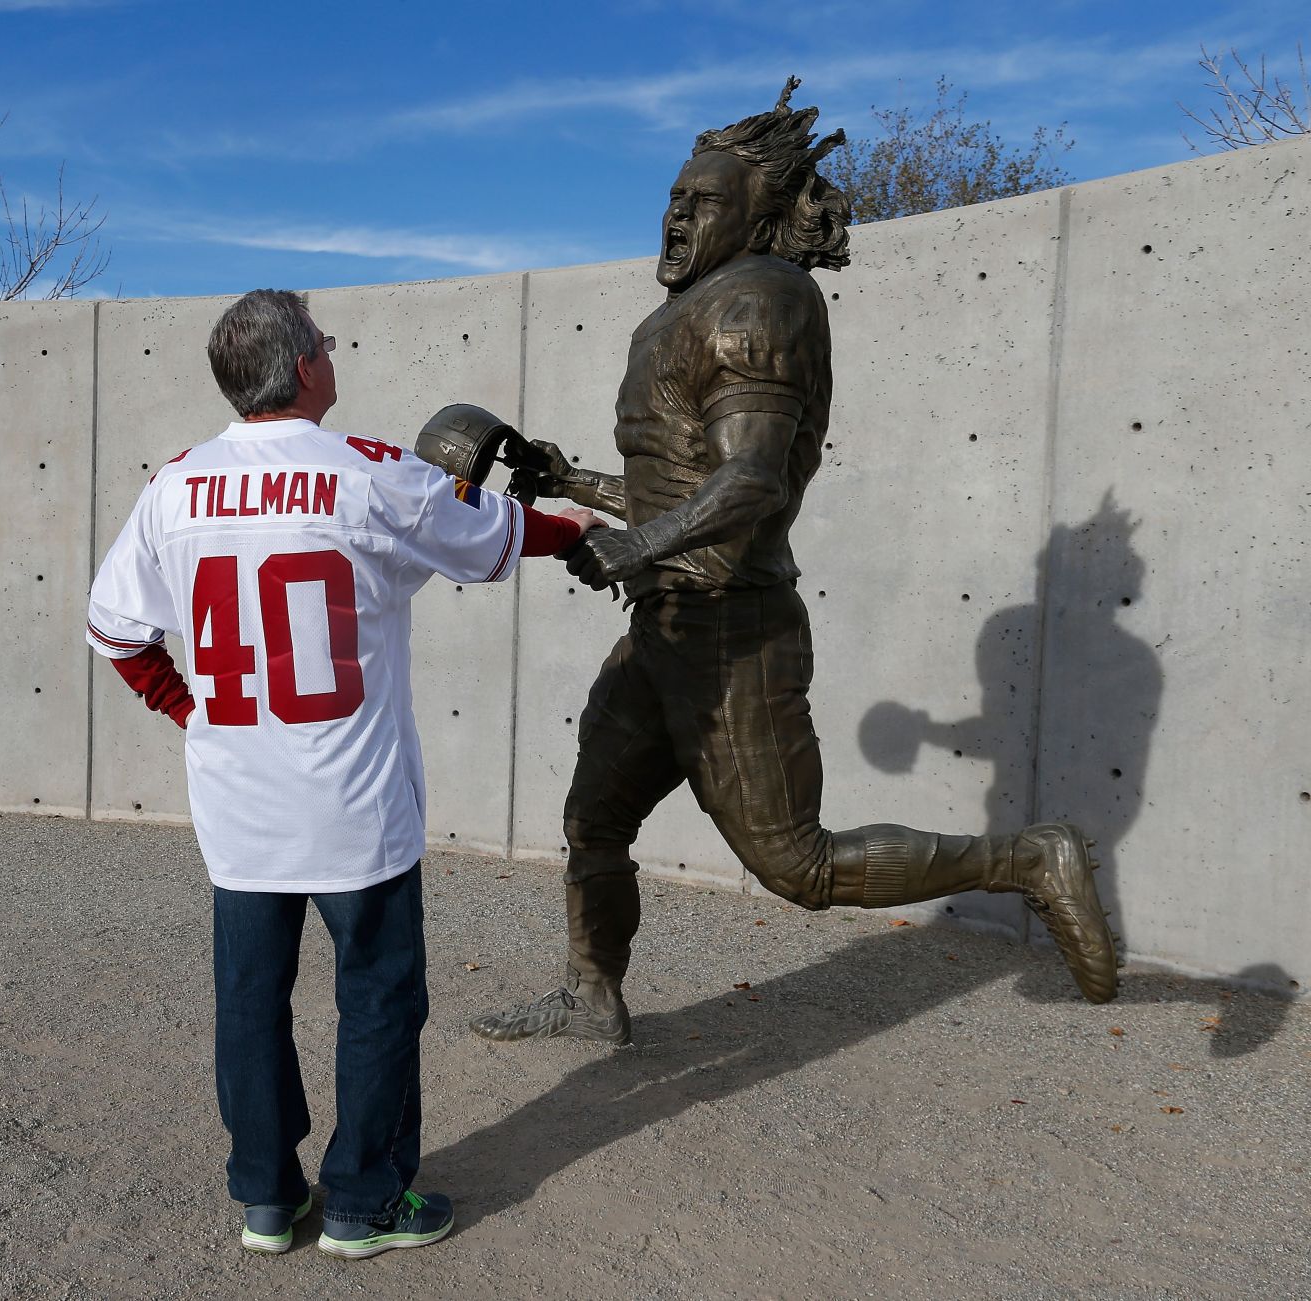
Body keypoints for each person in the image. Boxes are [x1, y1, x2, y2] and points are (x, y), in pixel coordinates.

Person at [467, 82, 1117, 1049]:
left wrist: (635, 545)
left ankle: (1026, 858)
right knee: (593, 818)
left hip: (730, 627)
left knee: (798, 866)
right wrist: (571, 480)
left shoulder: (758, 303)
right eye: (674, 199)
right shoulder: (688, 310)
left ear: (763, 214)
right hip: (666, 626)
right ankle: (591, 995)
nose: (678, 216)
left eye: (704, 202)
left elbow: (755, 482)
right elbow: (681, 479)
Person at [86, 289, 601, 1257]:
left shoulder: (176, 484)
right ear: (305, 367)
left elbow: (116, 629)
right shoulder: (366, 471)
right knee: (377, 995)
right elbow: (493, 531)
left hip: (238, 802)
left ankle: (266, 1198)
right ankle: (364, 1203)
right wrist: (570, 528)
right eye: (324, 339)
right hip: (354, 802)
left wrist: (187, 704)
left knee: (250, 998)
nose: (332, 348)